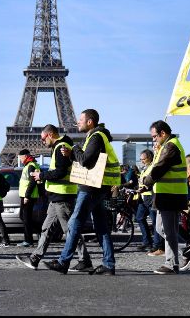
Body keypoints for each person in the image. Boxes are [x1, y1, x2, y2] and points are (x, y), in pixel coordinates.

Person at [45, 109, 119, 275]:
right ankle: (108, 264)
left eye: (80, 119)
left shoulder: (96, 137)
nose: (77, 122)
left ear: (90, 122)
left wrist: (75, 149)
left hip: (91, 187)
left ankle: (64, 262)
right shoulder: (98, 136)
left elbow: (86, 161)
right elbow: (85, 159)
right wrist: (73, 154)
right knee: (101, 227)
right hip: (99, 186)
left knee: (74, 222)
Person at [15, 124, 91, 271]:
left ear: (50, 134)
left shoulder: (61, 147)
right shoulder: (61, 146)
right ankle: (34, 259)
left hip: (62, 195)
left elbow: (61, 172)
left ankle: (85, 261)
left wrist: (41, 175)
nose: (43, 142)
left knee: (70, 231)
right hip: (56, 196)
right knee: (47, 229)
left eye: (43, 138)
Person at [137, 121, 189, 274]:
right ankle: (183, 253)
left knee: (166, 229)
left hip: (170, 194)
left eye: (155, 136)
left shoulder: (170, 146)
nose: (153, 140)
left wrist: (146, 183)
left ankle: (172, 263)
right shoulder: (167, 146)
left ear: (163, 134)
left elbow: (159, 169)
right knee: (162, 228)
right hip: (169, 194)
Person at [134, 149, 162, 253]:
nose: (141, 161)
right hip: (143, 197)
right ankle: (147, 242)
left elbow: (152, 182)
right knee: (139, 218)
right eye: (141, 159)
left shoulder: (151, 167)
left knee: (155, 221)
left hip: (150, 197)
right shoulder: (145, 168)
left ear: (149, 158)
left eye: (143, 159)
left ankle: (156, 244)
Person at [17, 149, 40, 247]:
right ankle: (40, 231)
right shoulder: (30, 165)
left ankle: (29, 240)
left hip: (28, 196)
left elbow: (32, 182)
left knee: (26, 218)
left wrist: (27, 196)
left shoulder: (30, 166)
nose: (20, 160)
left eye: (21, 157)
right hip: (27, 195)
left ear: (25, 156)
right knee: (25, 217)